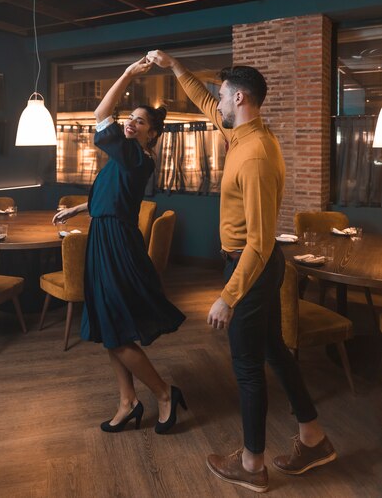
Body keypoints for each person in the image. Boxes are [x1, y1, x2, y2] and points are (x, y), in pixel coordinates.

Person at [146, 50, 336, 492]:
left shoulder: (253, 156)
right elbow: (204, 103)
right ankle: (314, 438)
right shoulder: (243, 132)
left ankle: (252, 466)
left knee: (248, 366)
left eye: (223, 96)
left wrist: (227, 296)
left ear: (241, 98)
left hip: (252, 268)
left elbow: (261, 242)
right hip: (254, 268)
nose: (218, 102)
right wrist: (175, 67)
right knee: (274, 352)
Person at [53, 57, 186, 435]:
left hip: (118, 245)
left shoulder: (136, 156)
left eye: (140, 121)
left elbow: (99, 113)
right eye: (131, 117)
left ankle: (163, 393)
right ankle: (128, 400)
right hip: (104, 237)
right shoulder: (124, 158)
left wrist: (128, 73)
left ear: (152, 134)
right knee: (105, 323)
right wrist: (79, 207)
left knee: (115, 325)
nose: (130, 122)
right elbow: (114, 197)